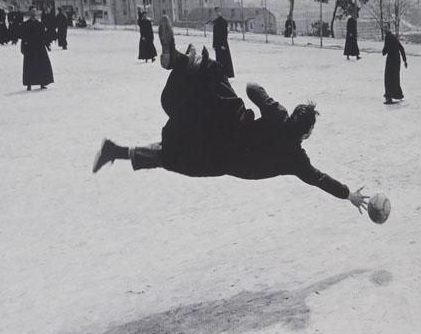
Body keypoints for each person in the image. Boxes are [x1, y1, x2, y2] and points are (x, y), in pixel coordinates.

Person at [91, 43, 368, 212]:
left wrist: (269, 102)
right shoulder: (297, 160)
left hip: (225, 129)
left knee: (213, 85)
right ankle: (185, 63)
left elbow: (251, 87)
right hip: (219, 159)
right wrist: (349, 194)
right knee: (173, 156)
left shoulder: (278, 115)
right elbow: (320, 179)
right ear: (307, 133)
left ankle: (185, 64)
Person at [21, 6, 54, 90]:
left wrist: (47, 44)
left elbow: (44, 35)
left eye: (35, 12)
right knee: (29, 67)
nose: (33, 14)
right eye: (32, 12)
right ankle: (29, 84)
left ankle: (42, 83)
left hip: (39, 48)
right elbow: (23, 37)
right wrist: (23, 47)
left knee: (41, 65)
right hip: (29, 48)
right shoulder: (25, 24)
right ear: (29, 13)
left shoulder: (39, 24)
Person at [381, 26, 408, 104]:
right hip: (397, 60)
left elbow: (385, 50)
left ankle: (389, 97)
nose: (385, 30)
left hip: (391, 59)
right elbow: (401, 48)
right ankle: (398, 94)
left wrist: (383, 51)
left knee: (388, 77)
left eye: (385, 28)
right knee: (395, 78)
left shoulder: (388, 37)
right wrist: (405, 60)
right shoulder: (393, 37)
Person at [212, 7, 235, 77]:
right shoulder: (215, 22)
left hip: (223, 44)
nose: (218, 13)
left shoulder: (224, 22)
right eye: (216, 12)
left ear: (221, 12)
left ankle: (227, 74)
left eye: (219, 11)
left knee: (225, 60)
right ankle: (220, 74)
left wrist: (224, 44)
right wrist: (214, 44)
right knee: (218, 59)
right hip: (217, 44)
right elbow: (214, 34)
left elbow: (225, 34)